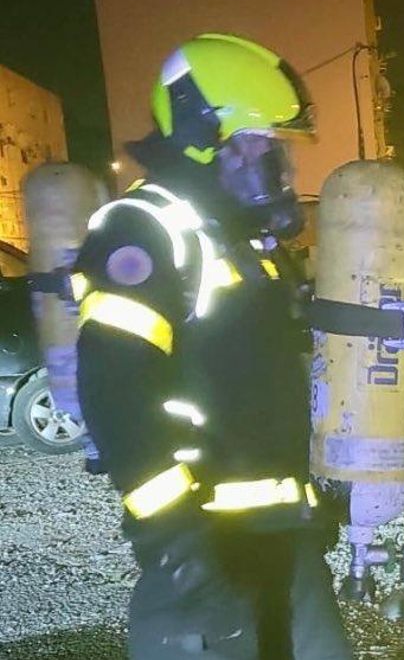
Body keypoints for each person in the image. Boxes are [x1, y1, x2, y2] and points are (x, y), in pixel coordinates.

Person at [74, 34, 351, 660]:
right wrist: (178, 540)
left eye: (279, 146)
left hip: (284, 541)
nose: (278, 162)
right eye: (261, 143)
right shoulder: (145, 229)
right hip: (206, 547)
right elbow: (116, 394)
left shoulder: (244, 240)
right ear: (204, 137)